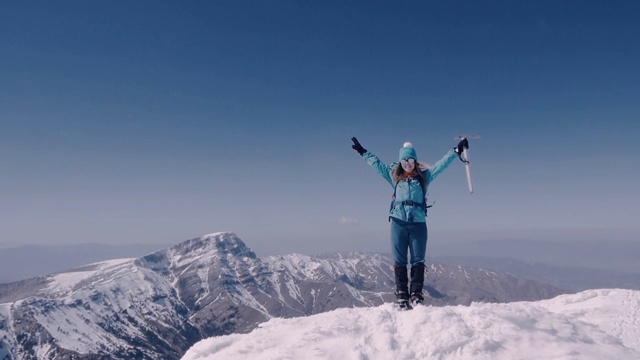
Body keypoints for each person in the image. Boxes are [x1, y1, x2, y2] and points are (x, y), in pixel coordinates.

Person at [350, 136, 469, 309]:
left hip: (418, 224)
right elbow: (378, 165)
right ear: (400, 162)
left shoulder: (423, 178)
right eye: (404, 160)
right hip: (398, 223)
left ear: (415, 161)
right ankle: (402, 295)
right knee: (399, 261)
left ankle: (416, 294)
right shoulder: (395, 178)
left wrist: (456, 151)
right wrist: (363, 152)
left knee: (417, 260)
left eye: (410, 160)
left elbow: (440, 166)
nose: (407, 163)